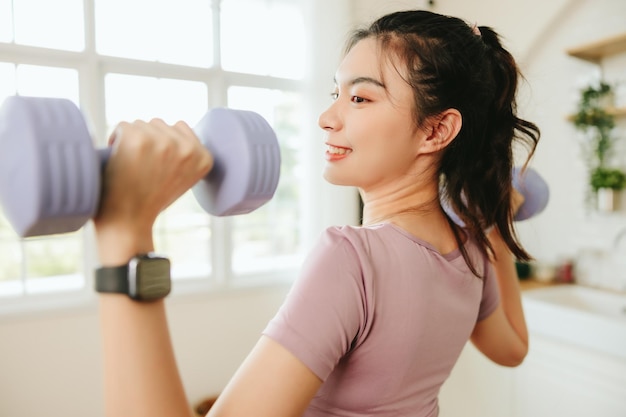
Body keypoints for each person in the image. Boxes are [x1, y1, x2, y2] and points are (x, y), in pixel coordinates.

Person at [94, 9, 540, 417]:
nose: (327, 117)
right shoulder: (470, 253)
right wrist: (491, 224)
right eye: (335, 93)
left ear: (436, 129)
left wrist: (125, 236)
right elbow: (513, 348)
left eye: (360, 98)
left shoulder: (354, 258)